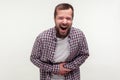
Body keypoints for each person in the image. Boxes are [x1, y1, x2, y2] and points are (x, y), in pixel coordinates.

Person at [30, 3, 89, 80]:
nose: (64, 22)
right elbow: (34, 58)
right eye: (60, 18)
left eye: (68, 18)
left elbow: (84, 54)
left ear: (72, 20)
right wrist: (55, 69)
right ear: (54, 19)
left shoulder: (79, 35)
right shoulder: (42, 37)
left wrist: (67, 67)